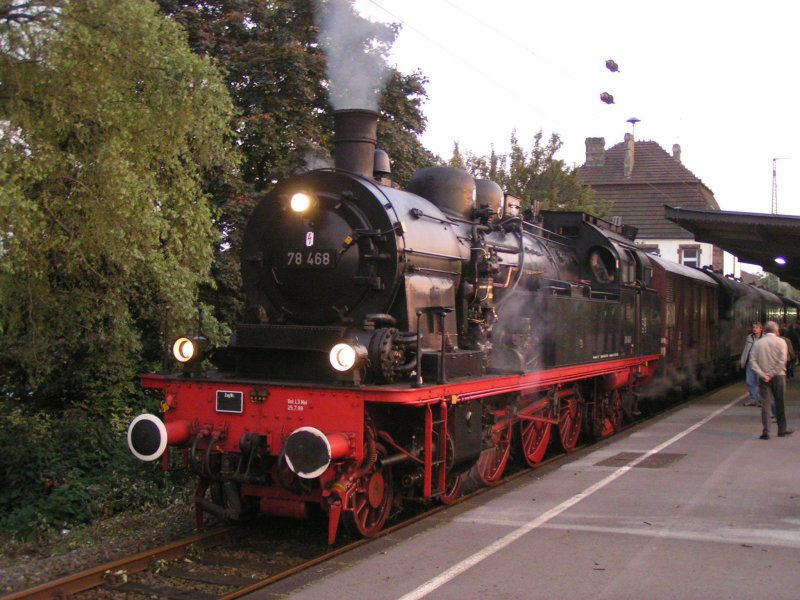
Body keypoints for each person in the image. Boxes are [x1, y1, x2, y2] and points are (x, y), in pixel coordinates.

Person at [749, 320, 793, 440]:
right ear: (776, 330)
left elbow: (752, 361)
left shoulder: (758, 343)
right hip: (778, 376)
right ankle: (782, 430)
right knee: (780, 403)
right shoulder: (781, 342)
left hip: (764, 378)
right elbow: (782, 360)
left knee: (765, 404)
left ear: (765, 330)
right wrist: (772, 373)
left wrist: (763, 374)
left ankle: (766, 431)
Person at [739, 322, 763, 406]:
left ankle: (760, 400)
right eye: (753, 327)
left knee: (760, 382)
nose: (754, 329)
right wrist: (742, 361)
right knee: (749, 381)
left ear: (761, 328)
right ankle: (752, 399)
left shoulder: (764, 338)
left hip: (760, 363)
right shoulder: (749, 337)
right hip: (750, 362)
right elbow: (746, 350)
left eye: (756, 327)